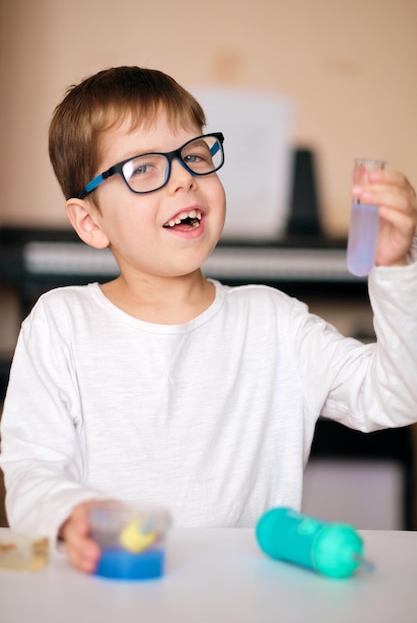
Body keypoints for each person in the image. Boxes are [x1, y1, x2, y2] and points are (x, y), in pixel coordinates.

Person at [1, 66, 416, 574]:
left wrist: (397, 270)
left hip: (249, 594)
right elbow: (30, 470)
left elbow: (398, 393)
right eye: (144, 168)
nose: (183, 179)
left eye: (195, 156)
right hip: (114, 590)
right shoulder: (60, 323)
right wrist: (69, 514)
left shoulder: (274, 322)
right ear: (91, 222)